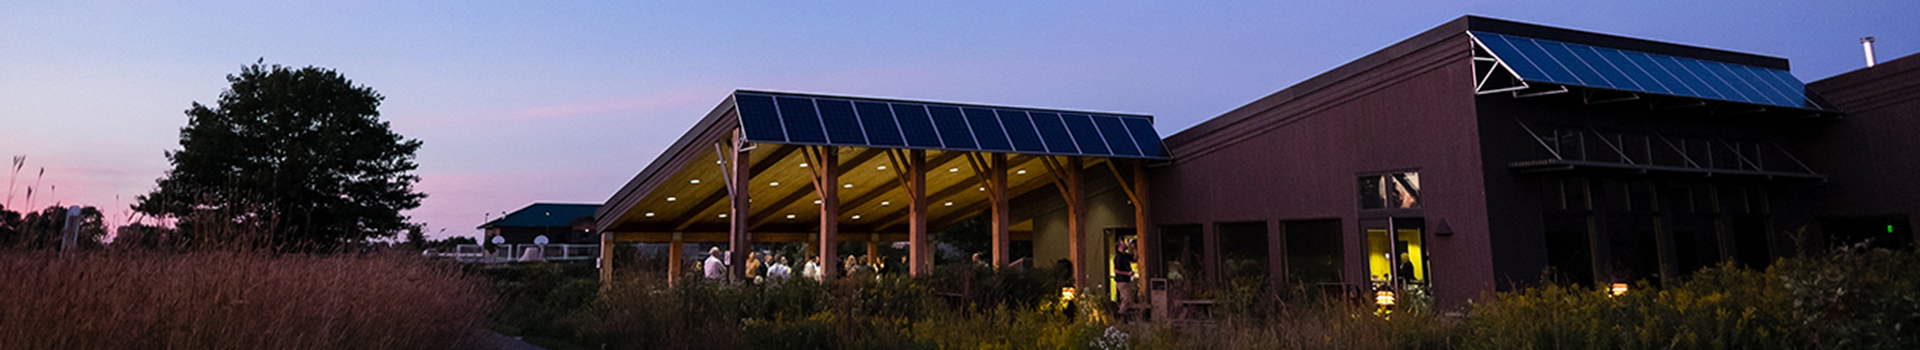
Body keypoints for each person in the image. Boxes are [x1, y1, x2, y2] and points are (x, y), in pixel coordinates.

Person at [1113, 239, 1137, 314]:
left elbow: (1135, 258)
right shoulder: (1118, 257)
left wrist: (1134, 248)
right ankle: (1120, 314)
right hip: (1122, 281)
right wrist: (1127, 273)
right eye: (1122, 242)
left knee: (1128, 299)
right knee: (1127, 299)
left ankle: (1123, 315)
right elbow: (1116, 270)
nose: (1125, 243)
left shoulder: (1125, 255)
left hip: (1126, 281)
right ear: (1119, 246)